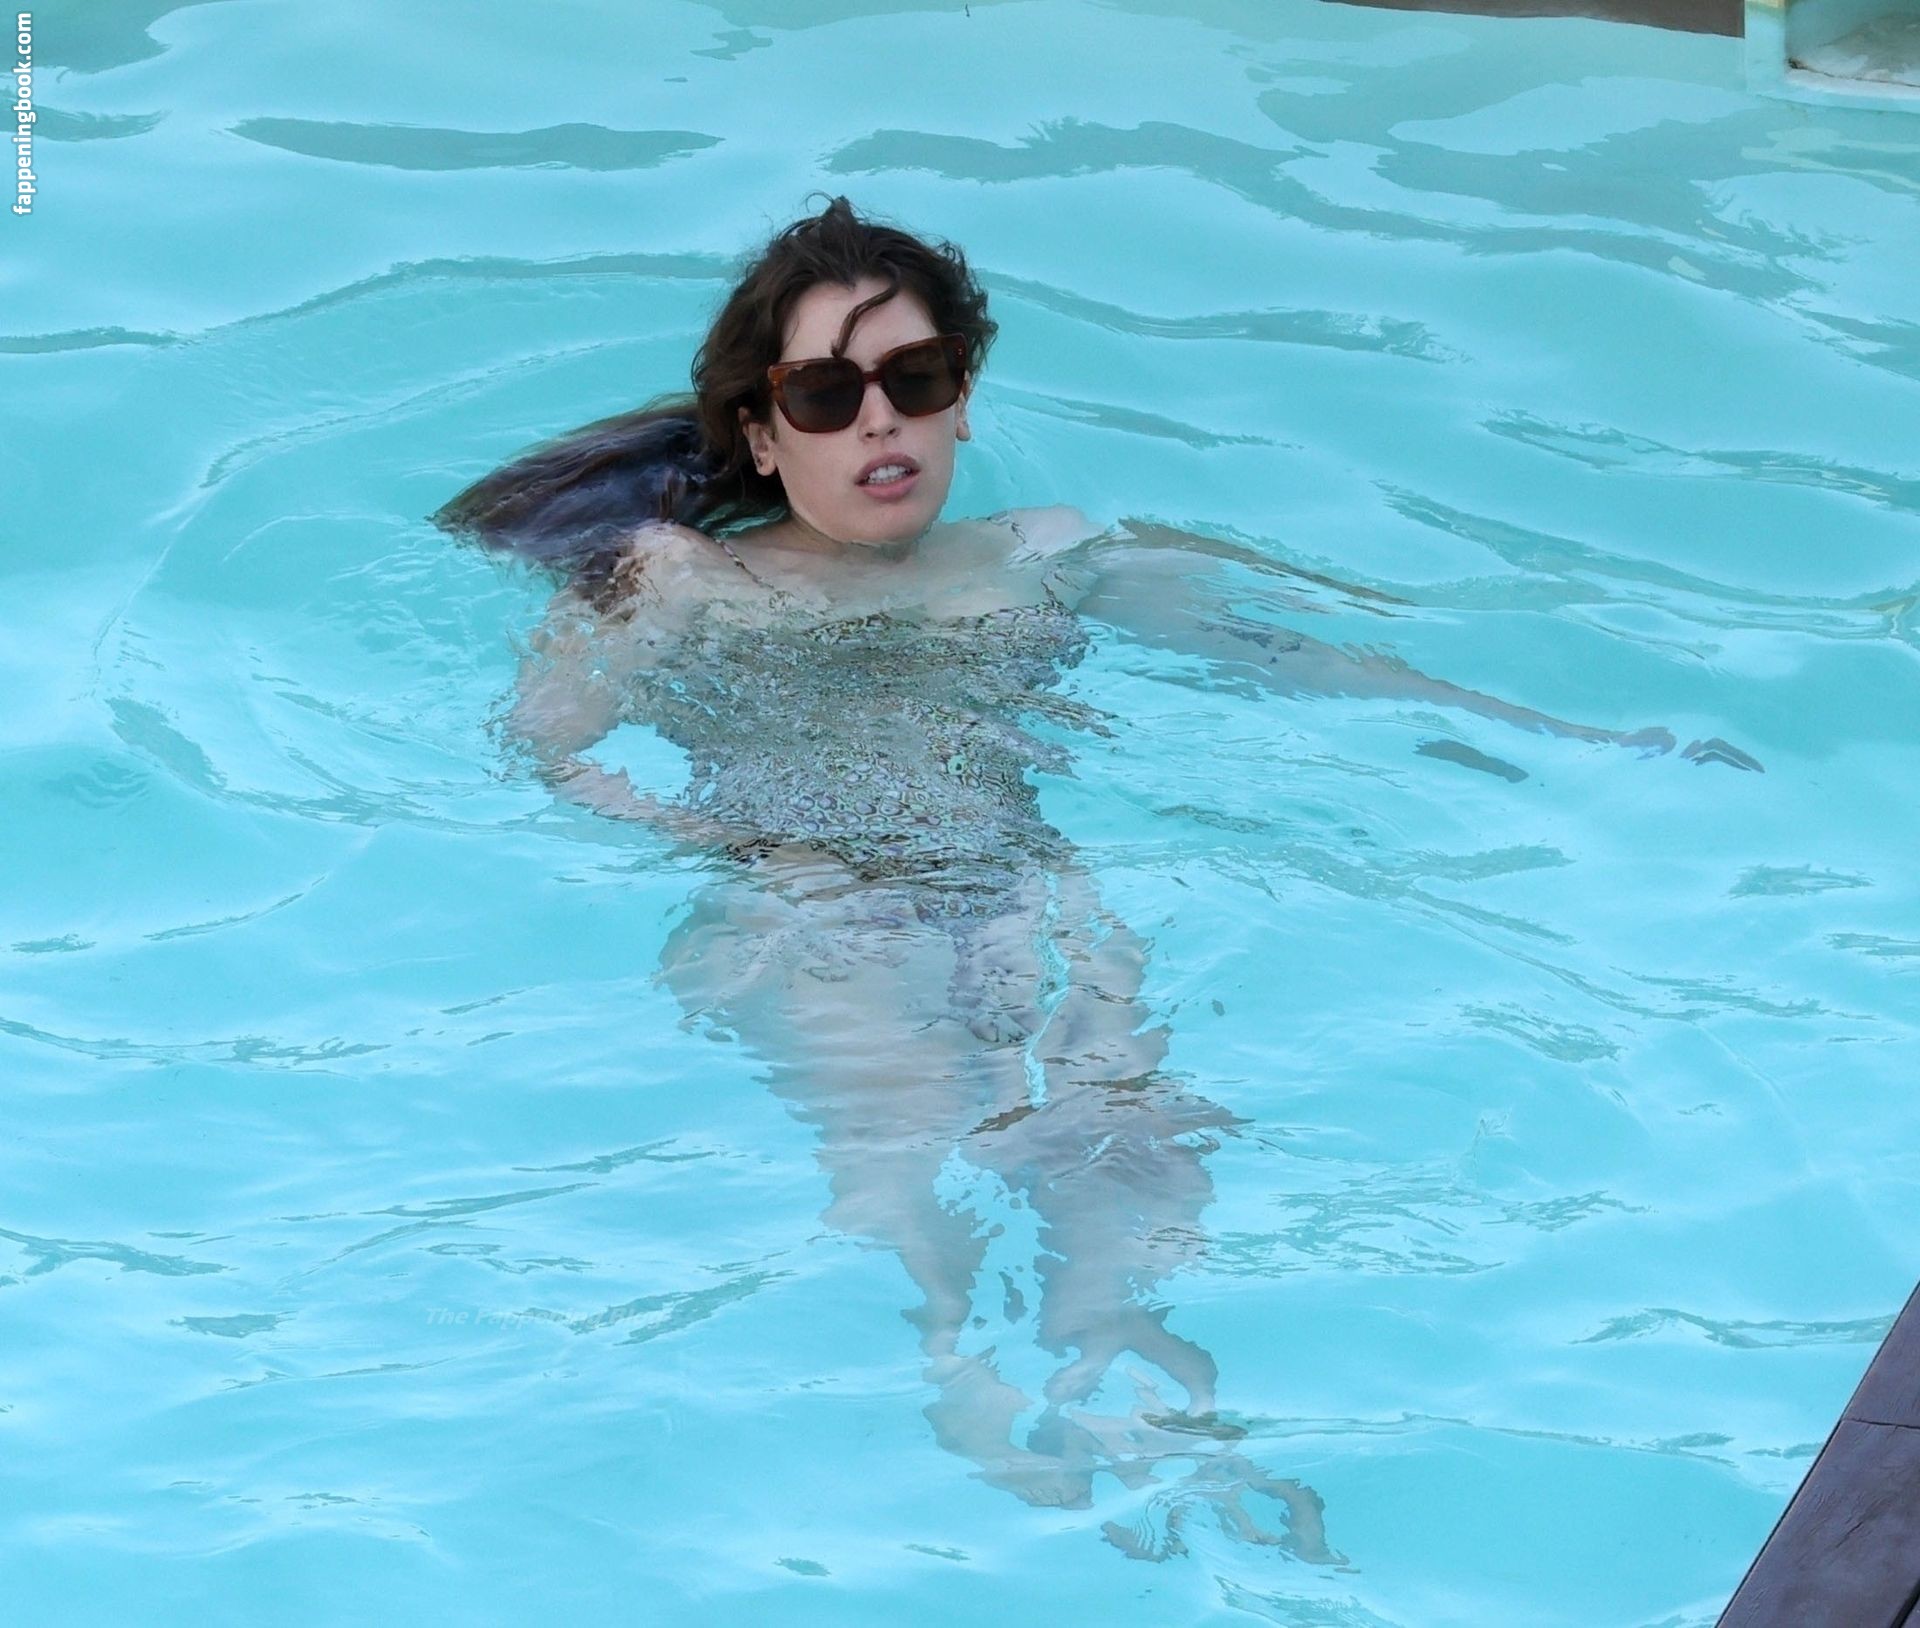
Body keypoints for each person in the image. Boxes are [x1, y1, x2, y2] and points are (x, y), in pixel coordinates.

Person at [430, 195, 1738, 1561]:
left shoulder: (1040, 558)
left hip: (1032, 900)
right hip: (815, 911)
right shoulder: (680, 578)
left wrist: (1572, 744)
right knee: (920, 1145)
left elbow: (1302, 657)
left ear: (961, 401)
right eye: (825, 394)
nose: (878, 422)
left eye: (914, 380)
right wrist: (760, 857)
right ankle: (965, 1373)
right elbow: (546, 753)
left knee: (1133, 1144)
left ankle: (1143, 1388)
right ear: (762, 434)